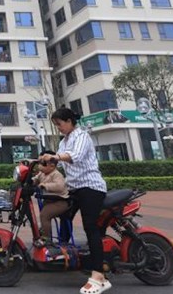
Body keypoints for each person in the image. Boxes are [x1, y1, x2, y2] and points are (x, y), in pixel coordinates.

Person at [50, 107, 110, 294]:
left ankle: (99, 276)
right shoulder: (64, 141)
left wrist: (56, 156)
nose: (58, 128)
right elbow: (57, 160)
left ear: (69, 121)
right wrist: (41, 160)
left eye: (59, 124)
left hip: (90, 187)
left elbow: (74, 157)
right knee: (64, 215)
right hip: (75, 189)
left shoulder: (81, 136)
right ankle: (70, 256)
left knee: (90, 227)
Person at [32, 150, 70, 248]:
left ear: (52, 166)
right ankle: (44, 231)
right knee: (43, 215)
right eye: (39, 163)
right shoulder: (42, 174)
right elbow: (35, 180)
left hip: (61, 202)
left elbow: (60, 186)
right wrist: (31, 181)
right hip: (49, 201)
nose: (40, 166)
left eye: (43, 164)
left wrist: (45, 185)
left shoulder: (56, 174)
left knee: (45, 215)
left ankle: (46, 238)